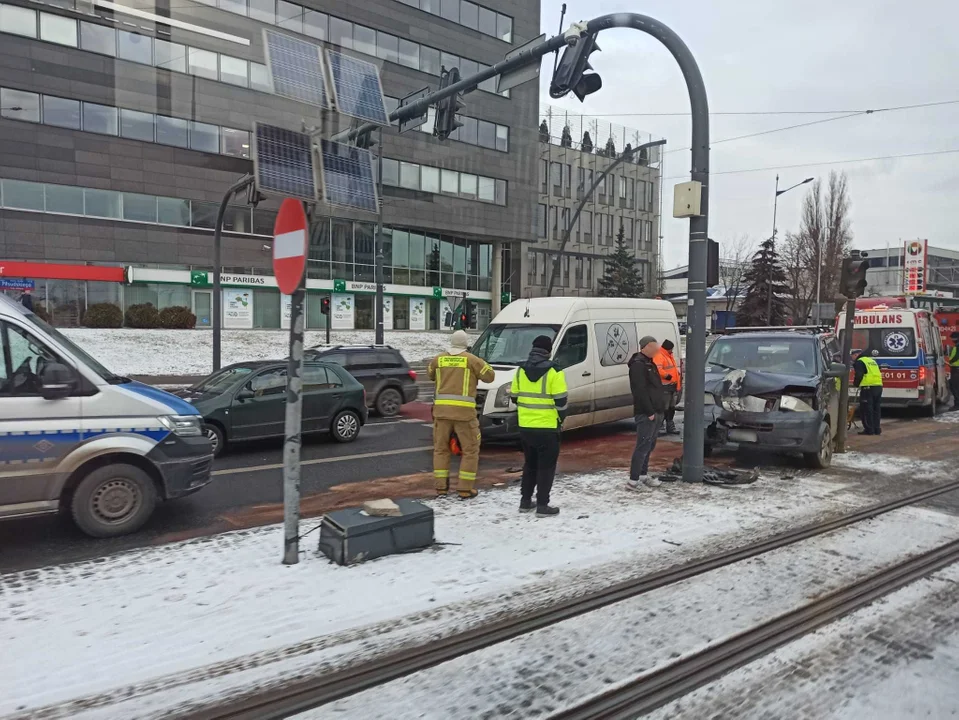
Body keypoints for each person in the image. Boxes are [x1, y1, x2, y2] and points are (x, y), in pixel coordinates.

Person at [428, 330, 495, 499]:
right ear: (465, 344)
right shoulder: (471, 360)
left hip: (441, 413)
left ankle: (441, 488)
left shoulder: (439, 359)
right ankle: (465, 489)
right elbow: (490, 376)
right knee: (470, 450)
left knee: (440, 450)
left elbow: (430, 375)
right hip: (464, 414)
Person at [510, 335, 568, 517]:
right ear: (549, 351)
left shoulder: (520, 370)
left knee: (530, 464)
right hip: (548, 427)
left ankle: (525, 501)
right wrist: (560, 419)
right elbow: (561, 402)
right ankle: (543, 505)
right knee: (546, 467)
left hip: (526, 427)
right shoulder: (555, 371)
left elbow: (514, 397)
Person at [627, 336, 668, 490]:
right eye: (654, 346)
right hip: (647, 413)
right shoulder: (638, 365)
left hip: (656, 410)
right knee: (643, 446)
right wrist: (649, 411)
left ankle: (643, 475)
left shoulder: (649, 362)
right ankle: (633, 480)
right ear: (646, 347)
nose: (657, 349)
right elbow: (639, 390)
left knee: (650, 445)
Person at [853, 348, 883, 435]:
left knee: (866, 409)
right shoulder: (871, 361)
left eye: (852, 356)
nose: (852, 359)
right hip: (878, 386)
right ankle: (877, 429)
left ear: (856, 355)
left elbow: (859, 374)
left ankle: (869, 429)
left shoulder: (859, 361)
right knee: (876, 409)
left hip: (868, 388)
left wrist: (856, 384)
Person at [654, 338, 681, 435]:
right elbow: (658, 369)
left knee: (671, 408)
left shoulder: (668, 355)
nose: (672, 351)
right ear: (667, 348)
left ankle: (670, 426)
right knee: (663, 408)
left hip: (671, 386)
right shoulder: (660, 356)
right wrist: (667, 376)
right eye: (671, 349)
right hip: (665, 386)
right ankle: (660, 426)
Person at [947, 332, 959, 409]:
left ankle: (957, 405)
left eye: (953, 338)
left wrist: (950, 361)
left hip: (957, 369)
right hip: (956, 369)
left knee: (954, 386)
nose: (952, 340)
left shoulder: (957, 347)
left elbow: (955, 357)